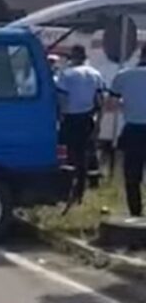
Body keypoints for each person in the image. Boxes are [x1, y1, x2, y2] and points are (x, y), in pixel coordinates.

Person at [55, 45, 105, 203]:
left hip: (69, 118)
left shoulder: (66, 74)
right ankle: (79, 192)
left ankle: (65, 190)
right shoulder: (95, 74)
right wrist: (98, 124)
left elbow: (61, 98)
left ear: (72, 57)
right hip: (87, 118)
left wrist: (59, 116)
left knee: (66, 156)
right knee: (83, 156)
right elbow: (99, 101)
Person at [110, 44, 146, 217]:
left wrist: (128, 106)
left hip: (133, 130)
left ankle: (136, 213)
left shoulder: (124, 76)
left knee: (132, 176)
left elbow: (111, 105)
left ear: (140, 55)